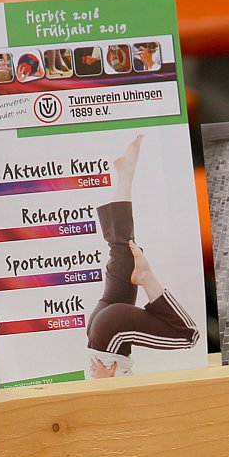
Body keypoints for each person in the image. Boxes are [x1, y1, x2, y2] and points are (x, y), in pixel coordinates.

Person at [86, 138, 202, 378]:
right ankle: (125, 174)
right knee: (121, 248)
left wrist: (107, 383)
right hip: (102, 327)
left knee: (187, 336)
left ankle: (147, 278)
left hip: (111, 336)